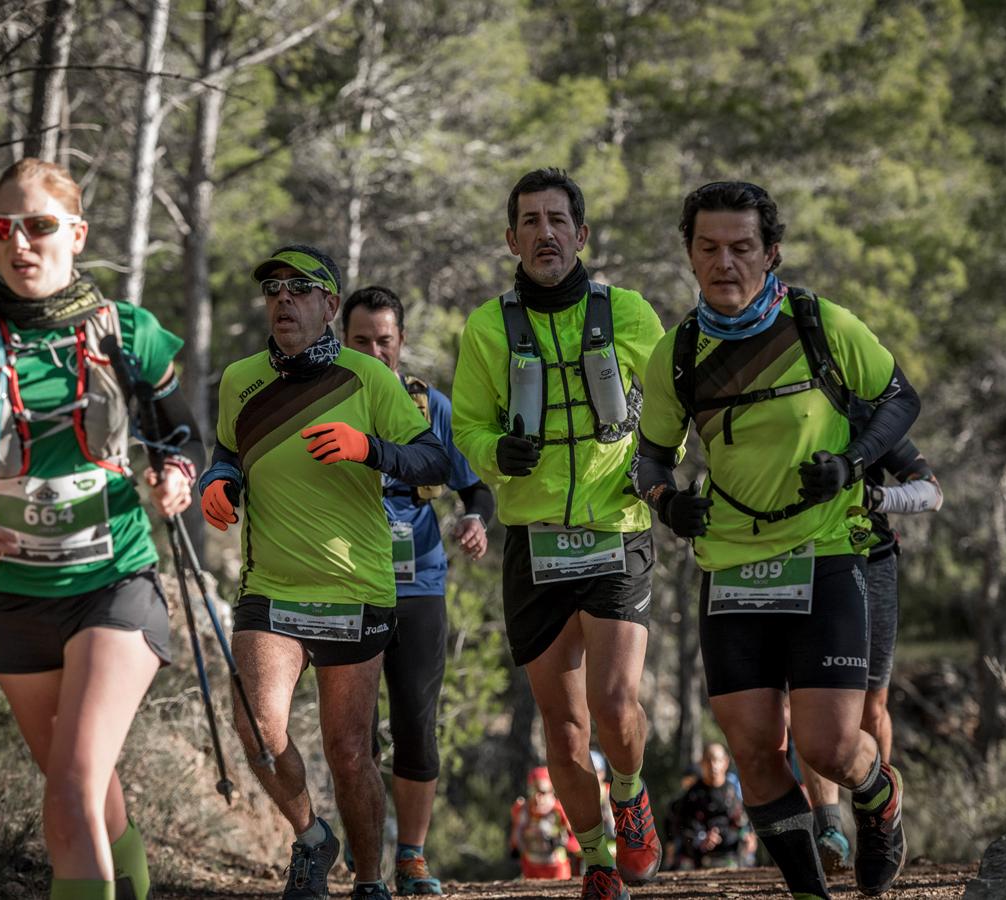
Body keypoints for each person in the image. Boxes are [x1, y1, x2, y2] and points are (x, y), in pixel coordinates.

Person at [0, 158, 202, 900]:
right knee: (85, 787)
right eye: (3, 229)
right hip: (11, 601)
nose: (19, 243)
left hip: (114, 586)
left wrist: (180, 477)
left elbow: (184, 436)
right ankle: (129, 884)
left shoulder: (128, 332)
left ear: (77, 233)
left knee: (67, 795)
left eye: (38, 226)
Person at [633, 181, 921, 899]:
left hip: (823, 552)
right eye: (709, 248)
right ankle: (809, 894)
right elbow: (650, 458)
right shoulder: (678, 353)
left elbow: (900, 399)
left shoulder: (819, 322)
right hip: (731, 565)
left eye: (741, 247)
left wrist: (851, 463)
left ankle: (880, 802)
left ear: (771, 252)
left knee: (828, 746)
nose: (724, 262)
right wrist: (669, 504)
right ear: (690, 254)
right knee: (756, 752)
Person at [198, 245, 450, 900]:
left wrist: (370, 449)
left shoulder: (369, 378)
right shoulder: (239, 379)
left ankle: (371, 881)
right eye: (273, 289)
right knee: (258, 728)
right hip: (271, 588)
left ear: (330, 305)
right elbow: (228, 448)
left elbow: (433, 463)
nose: (283, 299)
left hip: (355, 589)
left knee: (347, 753)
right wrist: (217, 481)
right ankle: (312, 835)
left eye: (301, 289)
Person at [452, 168, 665, 900]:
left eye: (557, 220)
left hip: (617, 529)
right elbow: (469, 425)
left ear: (582, 234)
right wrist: (492, 454)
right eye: (530, 222)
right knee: (566, 729)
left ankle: (631, 796)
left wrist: (663, 477)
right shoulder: (487, 327)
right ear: (510, 239)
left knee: (613, 704)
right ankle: (599, 855)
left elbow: (669, 413)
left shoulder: (631, 314)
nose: (545, 233)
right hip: (535, 541)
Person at [340, 285, 495, 895]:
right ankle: (364, 858)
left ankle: (412, 856)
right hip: (347, 582)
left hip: (420, 582)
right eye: (361, 341)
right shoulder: (326, 402)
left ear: (401, 343)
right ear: (342, 342)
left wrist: (474, 519)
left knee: (415, 721)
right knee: (353, 730)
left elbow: (475, 488)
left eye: (385, 340)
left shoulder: (430, 407)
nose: (375, 352)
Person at [801, 440, 943, 871]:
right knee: (808, 701)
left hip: (871, 562)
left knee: (871, 706)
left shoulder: (868, 413)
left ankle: (876, 820)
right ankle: (828, 827)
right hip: (800, 563)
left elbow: (931, 492)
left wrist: (872, 496)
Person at [664, 743, 751, 871]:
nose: (713, 766)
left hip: (731, 858)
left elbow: (742, 822)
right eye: (709, 760)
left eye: (717, 760)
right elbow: (681, 828)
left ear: (726, 762)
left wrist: (748, 835)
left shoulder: (734, 792)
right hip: (698, 862)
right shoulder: (692, 795)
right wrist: (701, 839)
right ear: (701, 763)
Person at [509, 766, 581, 881]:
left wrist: (562, 841)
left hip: (556, 868)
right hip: (530, 867)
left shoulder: (560, 810)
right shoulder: (522, 809)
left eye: (542, 792)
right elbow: (515, 836)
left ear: (551, 790)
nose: (537, 797)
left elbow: (577, 843)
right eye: (533, 791)